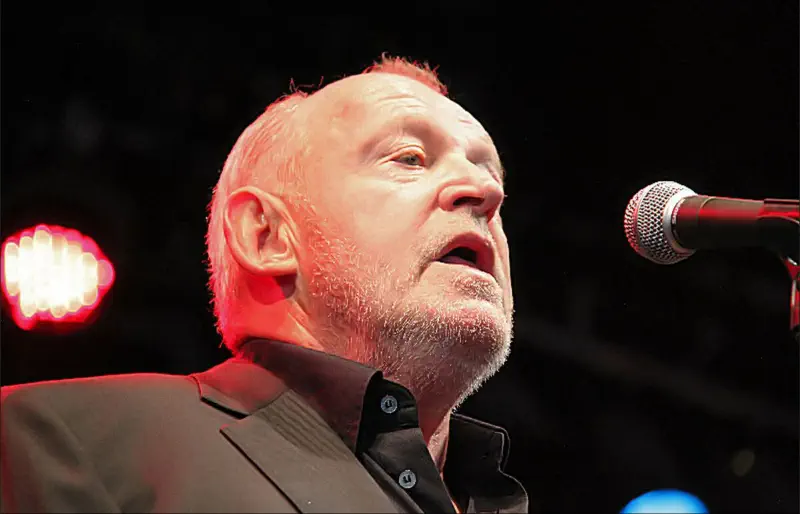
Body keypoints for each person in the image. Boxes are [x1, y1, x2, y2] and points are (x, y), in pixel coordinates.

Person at [0, 55, 527, 513]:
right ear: (266, 236)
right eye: (409, 158)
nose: (484, 192)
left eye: (490, 176)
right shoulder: (59, 441)